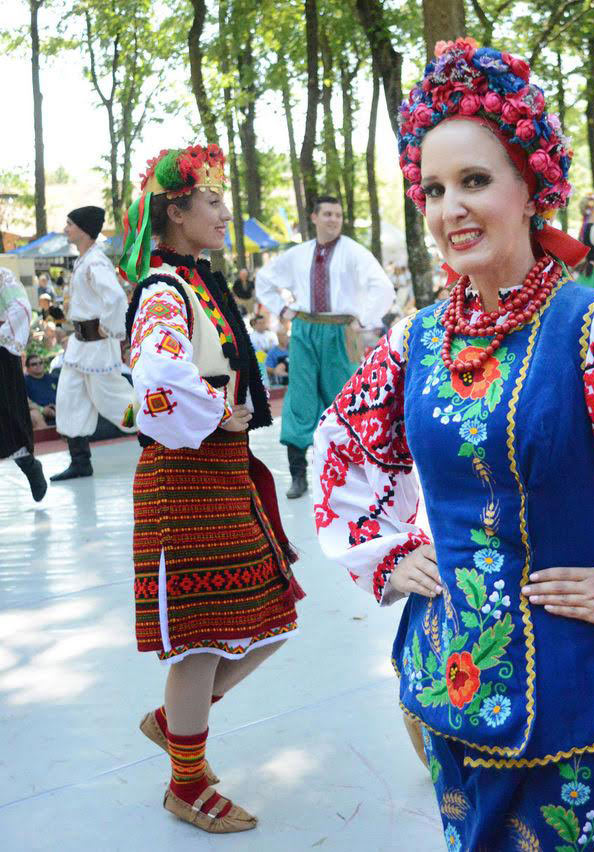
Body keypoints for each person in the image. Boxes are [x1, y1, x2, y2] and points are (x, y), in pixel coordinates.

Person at [314, 39, 594, 851]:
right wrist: (385, 553)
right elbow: (344, 447)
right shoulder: (414, 340)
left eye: (476, 181)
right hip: (450, 672)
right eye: (435, 188)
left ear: (532, 188)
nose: (451, 208)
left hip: (583, 685)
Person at [118, 143, 303, 834]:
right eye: (215, 201)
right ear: (177, 209)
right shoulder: (166, 290)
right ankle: (186, 785)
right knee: (201, 642)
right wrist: (222, 413)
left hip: (218, 478)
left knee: (271, 617)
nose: (226, 213)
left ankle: (173, 725)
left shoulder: (191, 282)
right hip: (187, 481)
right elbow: (157, 380)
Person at [254, 195, 392, 499]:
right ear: (314, 217)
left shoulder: (355, 252)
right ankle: (298, 474)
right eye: (327, 213)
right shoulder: (298, 254)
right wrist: (281, 309)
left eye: (338, 214)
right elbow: (263, 279)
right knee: (299, 398)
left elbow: (382, 287)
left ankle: (352, 475)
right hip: (304, 329)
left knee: (345, 398)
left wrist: (364, 318)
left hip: (339, 331)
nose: (334, 219)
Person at [51, 205, 136, 480]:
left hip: (97, 345)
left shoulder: (96, 262)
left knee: (113, 401)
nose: (66, 229)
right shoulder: (84, 259)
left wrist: (108, 329)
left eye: (70, 224)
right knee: (69, 398)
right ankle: (80, 461)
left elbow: (116, 299)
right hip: (79, 345)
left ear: (84, 229)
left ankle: (160, 431)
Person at [1, 266, 47, 500]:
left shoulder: (2, 276)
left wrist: (2, 335)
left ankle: (29, 466)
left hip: (0, 354)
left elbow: (21, 307)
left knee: (7, 417)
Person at [24, 351, 58, 429]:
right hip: (39, 412)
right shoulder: (24, 381)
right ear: (28, 368)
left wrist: (57, 407)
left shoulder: (53, 378)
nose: (38, 365)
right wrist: (42, 409)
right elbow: (24, 400)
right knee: (34, 415)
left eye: (40, 363)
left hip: (57, 409)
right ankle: (47, 438)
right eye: (34, 364)